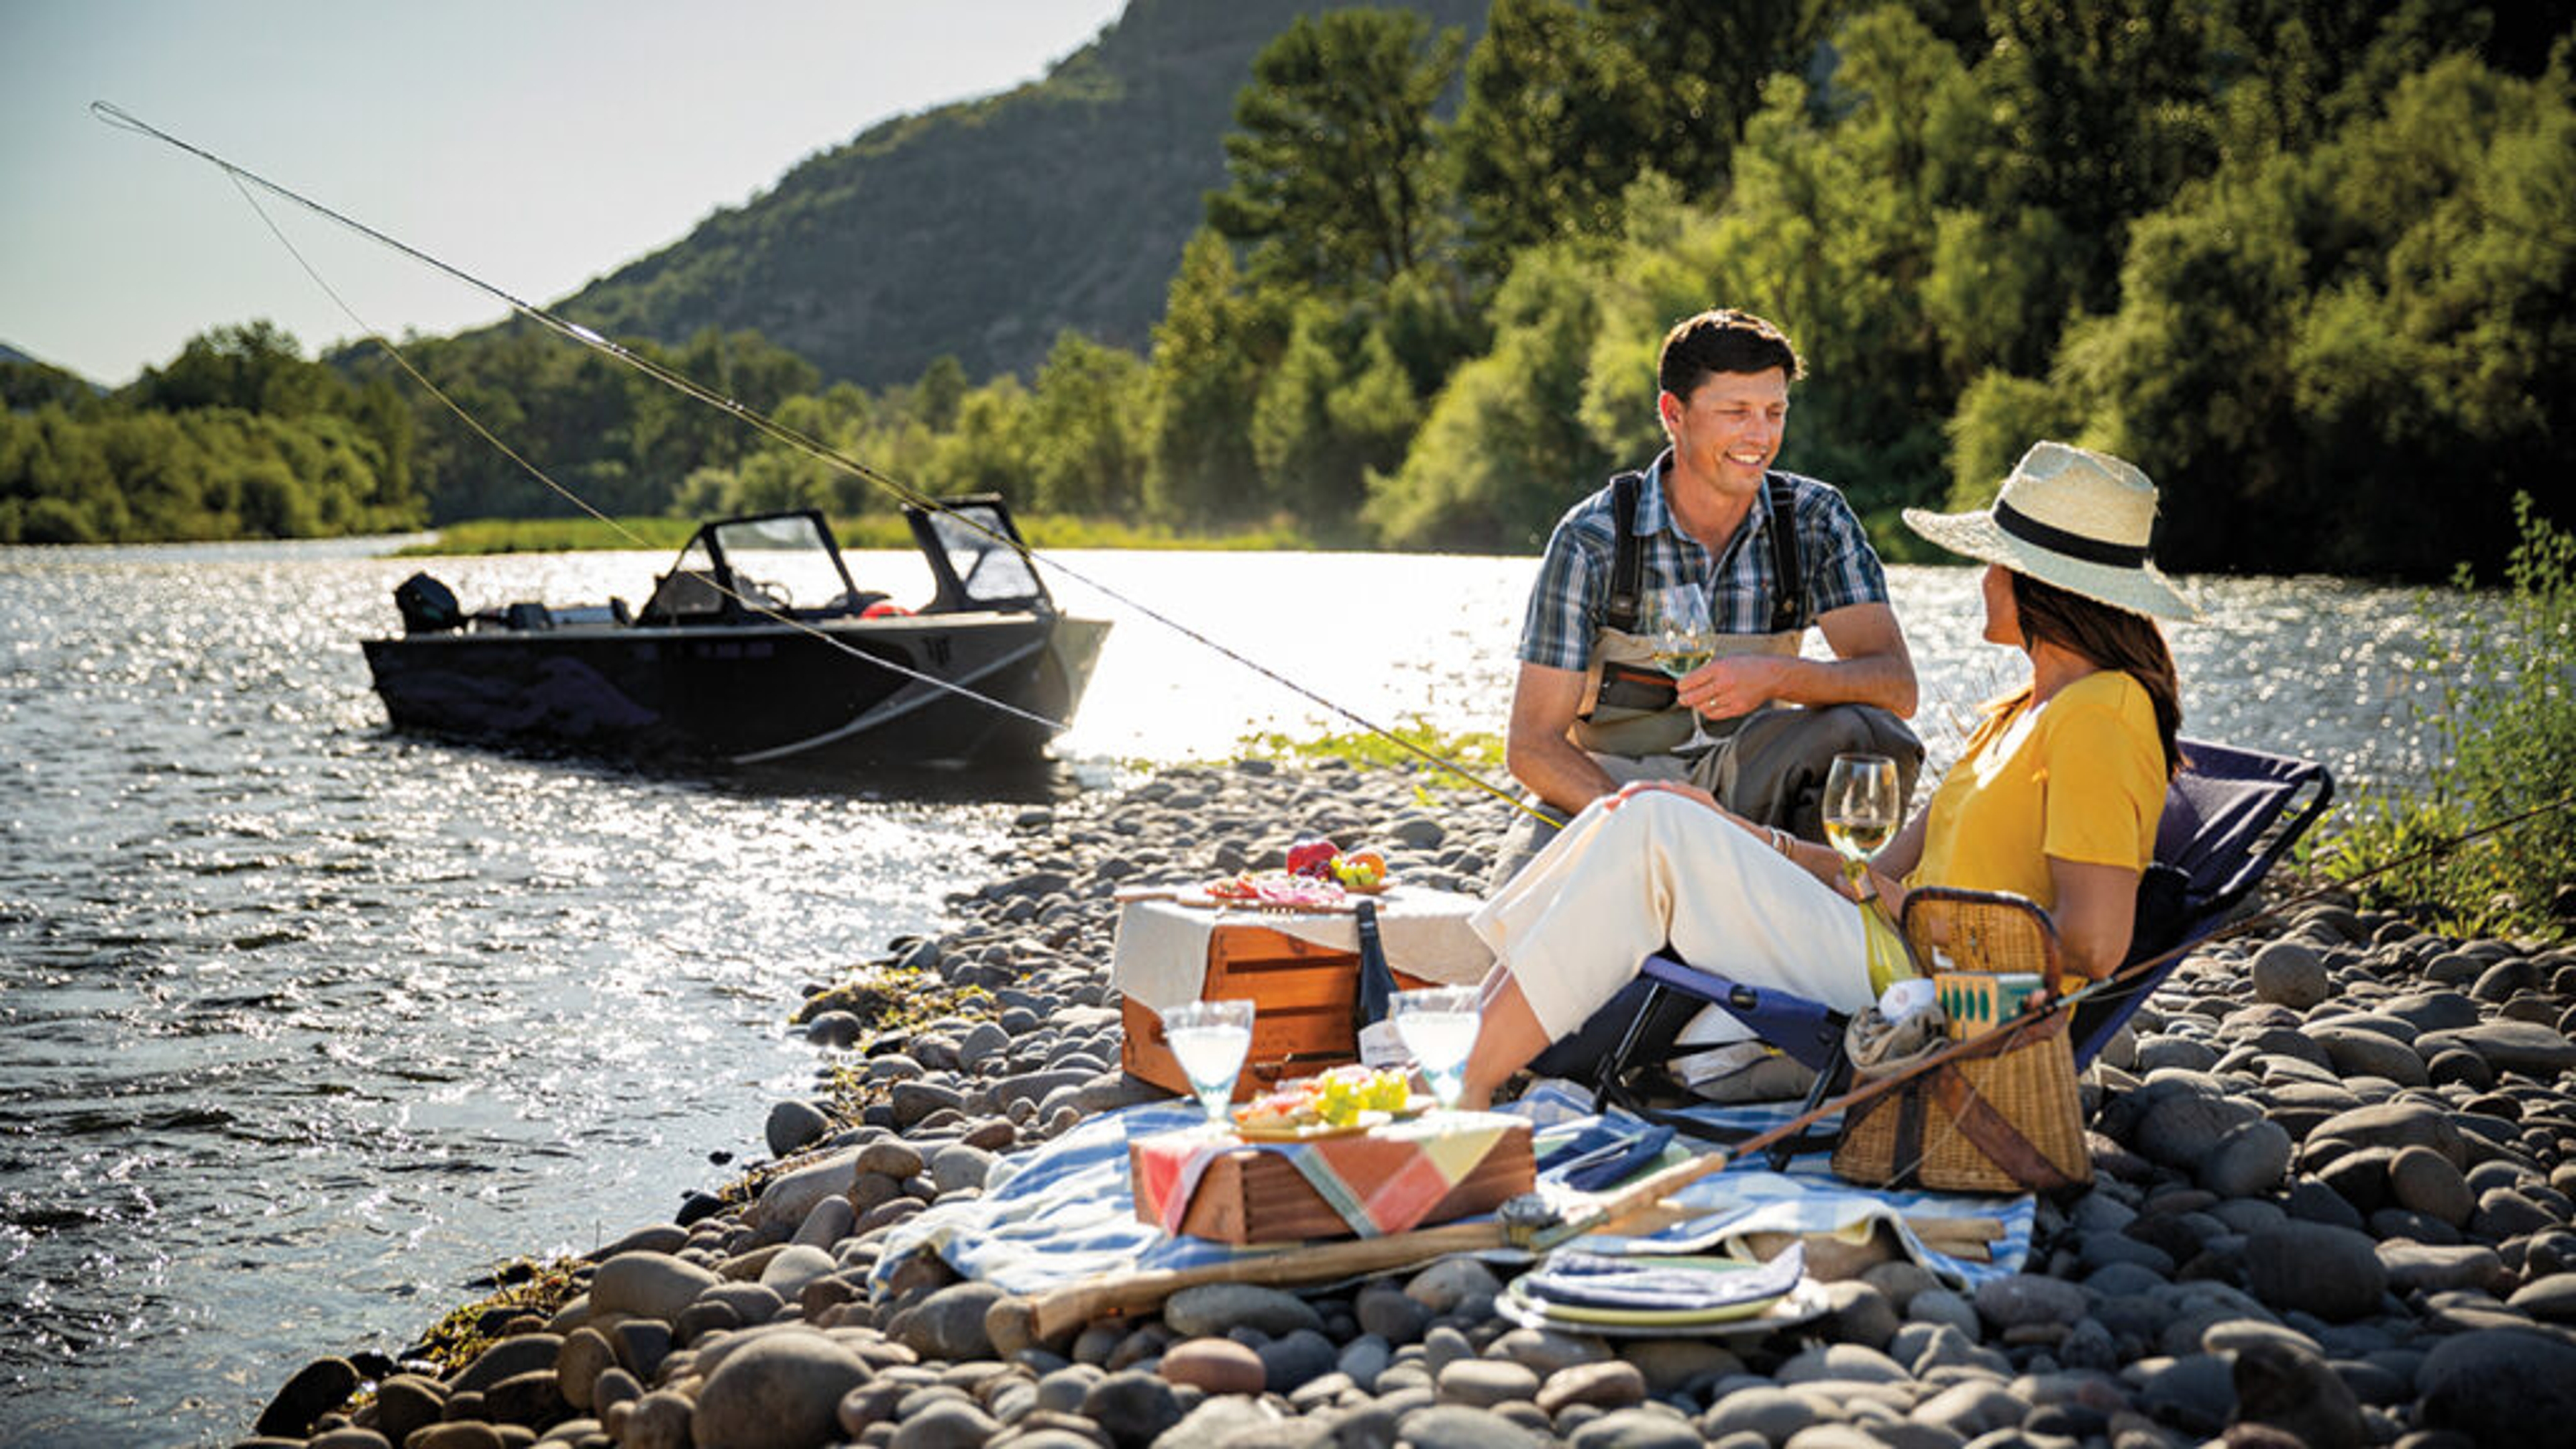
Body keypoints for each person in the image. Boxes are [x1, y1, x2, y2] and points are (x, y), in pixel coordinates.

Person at [1456, 441, 2196, 1107]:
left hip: (1936, 989)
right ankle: (1470, 1046)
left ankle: (1468, 1084)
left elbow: (2095, 946)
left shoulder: (2102, 714)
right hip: (1890, 948)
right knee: (1647, 810)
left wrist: (1917, 933)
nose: (1986, 580)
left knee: (1651, 823)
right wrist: (1740, 838)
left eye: (1996, 564)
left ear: (2042, 585)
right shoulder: (2024, 709)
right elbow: (1867, 872)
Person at [1493, 309, 1921, 888]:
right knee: (1521, 928)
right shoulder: (1592, 539)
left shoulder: (1818, 521)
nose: (1761, 436)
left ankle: (1821, 899)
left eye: (1774, 413)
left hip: (1753, 781)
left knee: (1873, 732)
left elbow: (1894, 685)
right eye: (1736, 413)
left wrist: (1775, 677)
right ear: (1674, 414)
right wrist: (1644, 820)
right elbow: (1532, 745)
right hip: (1615, 785)